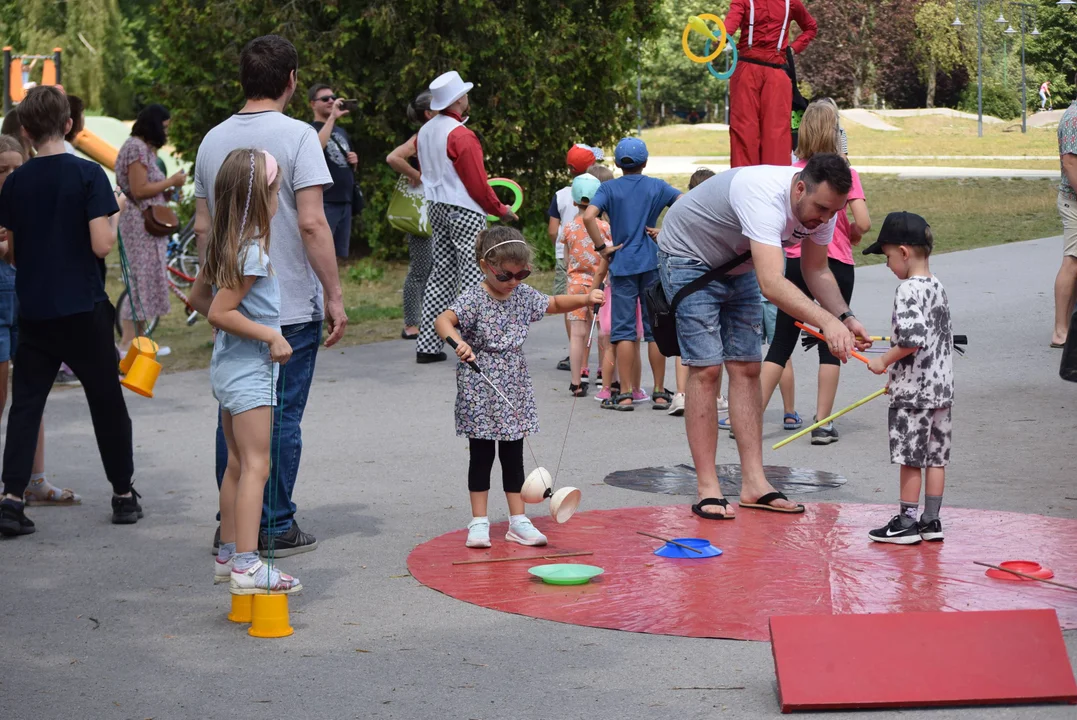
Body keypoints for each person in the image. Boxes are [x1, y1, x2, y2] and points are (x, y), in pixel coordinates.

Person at [194, 34, 347, 557]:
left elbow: (202, 227)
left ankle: (232, 525)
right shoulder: (300, 136)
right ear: (291, 80)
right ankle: (275, 523)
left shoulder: (211, 140)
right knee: (279, 418)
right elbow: (311, 223)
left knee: (237, 420)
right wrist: (334, 293)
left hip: (230, 303)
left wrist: (209, 288)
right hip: (286, 305)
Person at [656, 153, 872, 520]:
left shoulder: (823, 207)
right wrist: (826, 323)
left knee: (747, 368)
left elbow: (816, 268)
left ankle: (754, 483)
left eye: (832, 211)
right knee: (706, 369)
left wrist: (844, 316)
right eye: (820, 207)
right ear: (799, 187)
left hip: (738, 261)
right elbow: (772, 284)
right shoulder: (763, 196)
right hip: (688, 258)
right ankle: (708, 486)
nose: (824, 218)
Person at [0, 86, 140, 538]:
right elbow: (101, 244)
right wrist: (114, 214)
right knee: (106, 401)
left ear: (24, 131)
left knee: (26, 406)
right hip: (83, 306)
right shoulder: (88, 175)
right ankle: (122, 494)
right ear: (68, 125)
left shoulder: (17, 181)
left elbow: (15, 253)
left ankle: (12, 499)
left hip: (36, 309)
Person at [434, 226, 604, 549]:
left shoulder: (523, 296)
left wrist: (585, 297)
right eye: (506, 275)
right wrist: (458, 344)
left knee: (514, 456)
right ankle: (479, 522)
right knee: (482, 456)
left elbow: (553, 303)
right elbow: (442, 320)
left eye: (521, 274)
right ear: (486, 266)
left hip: (514, 383)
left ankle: (518, 520)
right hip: (479, 385)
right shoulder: (474, 297)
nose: (514, 282)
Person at [189, 148, 302, 591]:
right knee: (258, 464)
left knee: (237, 463)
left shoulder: (224, 243)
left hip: (227, 368)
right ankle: (248, 565)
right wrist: (270, 335)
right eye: (277, 192)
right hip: (249, 371)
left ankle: (228, 554)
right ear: (264, 197)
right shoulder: (252, 251)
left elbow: (200, 300)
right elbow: (218, 311)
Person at [758, 99, 871, 445]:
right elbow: (864, 223)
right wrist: (850, 232)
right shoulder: (845, 173)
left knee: (780, 342)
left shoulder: (796, 171)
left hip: (792, 260)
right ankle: (823, 421)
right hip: (834, 263)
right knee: (831, 343)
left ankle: (748, 415)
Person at [415, 70, 516, 364]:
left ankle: (428, 345)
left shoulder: (426, 130)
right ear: (459, 99)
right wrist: (500, 209)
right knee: (474, 275)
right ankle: (475, 345)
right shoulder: (461, 135)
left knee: (441, 274)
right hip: (464, 208)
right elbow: (477, 183)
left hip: (435, 205)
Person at [864, 212, 953, 545]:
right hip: (941, 390)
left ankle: (905, 522)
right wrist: (899, 376)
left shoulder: (907, 290)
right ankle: (931, 521)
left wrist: (884, 362)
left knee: (910, 459)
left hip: (915, 395)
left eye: (887, 257)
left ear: (903, 252)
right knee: (936, 458)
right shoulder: (937, 286)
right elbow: (934, 340)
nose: (887, 265)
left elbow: (913, 339)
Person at [583, 137, 681, 411]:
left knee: (624, 331)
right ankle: (660, 392)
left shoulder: (609, 188)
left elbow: (590, 216)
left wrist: (603, 247)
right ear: (645, 162)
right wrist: (667, 231)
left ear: (617, 164)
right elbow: (685, 202)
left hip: (623, 264)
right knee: (654, 329)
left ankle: (625, 394)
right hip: (651, 263)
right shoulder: (656, 186)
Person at [0, 135, 67, 505]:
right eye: (2, 169)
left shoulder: (26, 200)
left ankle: (35, 480)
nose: (10, 175)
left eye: (16, 168)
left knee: (31, 399)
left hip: (25, 307)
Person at [116, 105, 187, 350]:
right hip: (139, 226)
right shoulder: (136, 148)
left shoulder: (142, 149)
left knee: (146, 283)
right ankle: (126, 343)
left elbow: (147, 190)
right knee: (140, 283)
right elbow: (138, 190)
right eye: (165, 127)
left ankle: (140, 342)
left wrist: (167, 192)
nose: (167, 132)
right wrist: (172, 181)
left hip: (147, 224)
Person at [669, 167, 734, 419]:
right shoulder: (718, 217)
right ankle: (715, 397)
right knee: (713, 346)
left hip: (686, 287)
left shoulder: (683, 213)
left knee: (684, 344)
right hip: (712, 285)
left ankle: (681, 394)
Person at [723, 0, 818, 167]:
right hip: (757, 70)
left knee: (769, 134)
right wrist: (722, 36)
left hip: (766, 71)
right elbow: (729, 25)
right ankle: (752, 184)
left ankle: (761, 185)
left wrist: (793, 49)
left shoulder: (790, 3)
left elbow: (811, 27)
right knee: (751, 132)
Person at [386, 90, 436, 340]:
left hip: (438, 210)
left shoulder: (440, 135)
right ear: (429, 113)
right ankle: (411, 323)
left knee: (437, 268)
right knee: (420, 269)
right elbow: (393, 157)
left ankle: (433, 319)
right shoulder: (421, 137)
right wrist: (417, 175)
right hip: (421, 213)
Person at [549, 143, 603, 372]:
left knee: (571, 307)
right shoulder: (601, 192)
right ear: (591, 166)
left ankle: (576, 356)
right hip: (597, 261)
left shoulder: (561, 195)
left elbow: (553, 230)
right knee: (598, 311)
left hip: (569, 261)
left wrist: (562, 250)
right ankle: (602, 364)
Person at [561, 173, 609, 396]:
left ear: (573, 201)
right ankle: (603, 375)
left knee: (578, 334)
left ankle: (577, 380)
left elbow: (566, 259)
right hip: (600, 284)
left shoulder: (569, 228)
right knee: (602, 332)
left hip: (575, 286)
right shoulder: (605, 227)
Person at [309, 83, 359, 259]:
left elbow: (345, 163)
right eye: (325, 98)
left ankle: (331, 287)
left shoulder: (341, 131)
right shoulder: (309, 130)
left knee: (337, 255)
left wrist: (354, 160)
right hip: (325, 201)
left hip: (345, 200)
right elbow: (316, 148)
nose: (331, 101)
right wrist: (332, 118)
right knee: (321, 254)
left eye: (333, 97)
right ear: (312, 104)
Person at [1052, 99, 1077, 348]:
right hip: (1075, 202)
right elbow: (1070, 162)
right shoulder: (1074, 119)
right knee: (1072, 261)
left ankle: (1070, 324)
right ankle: (1060, 332)